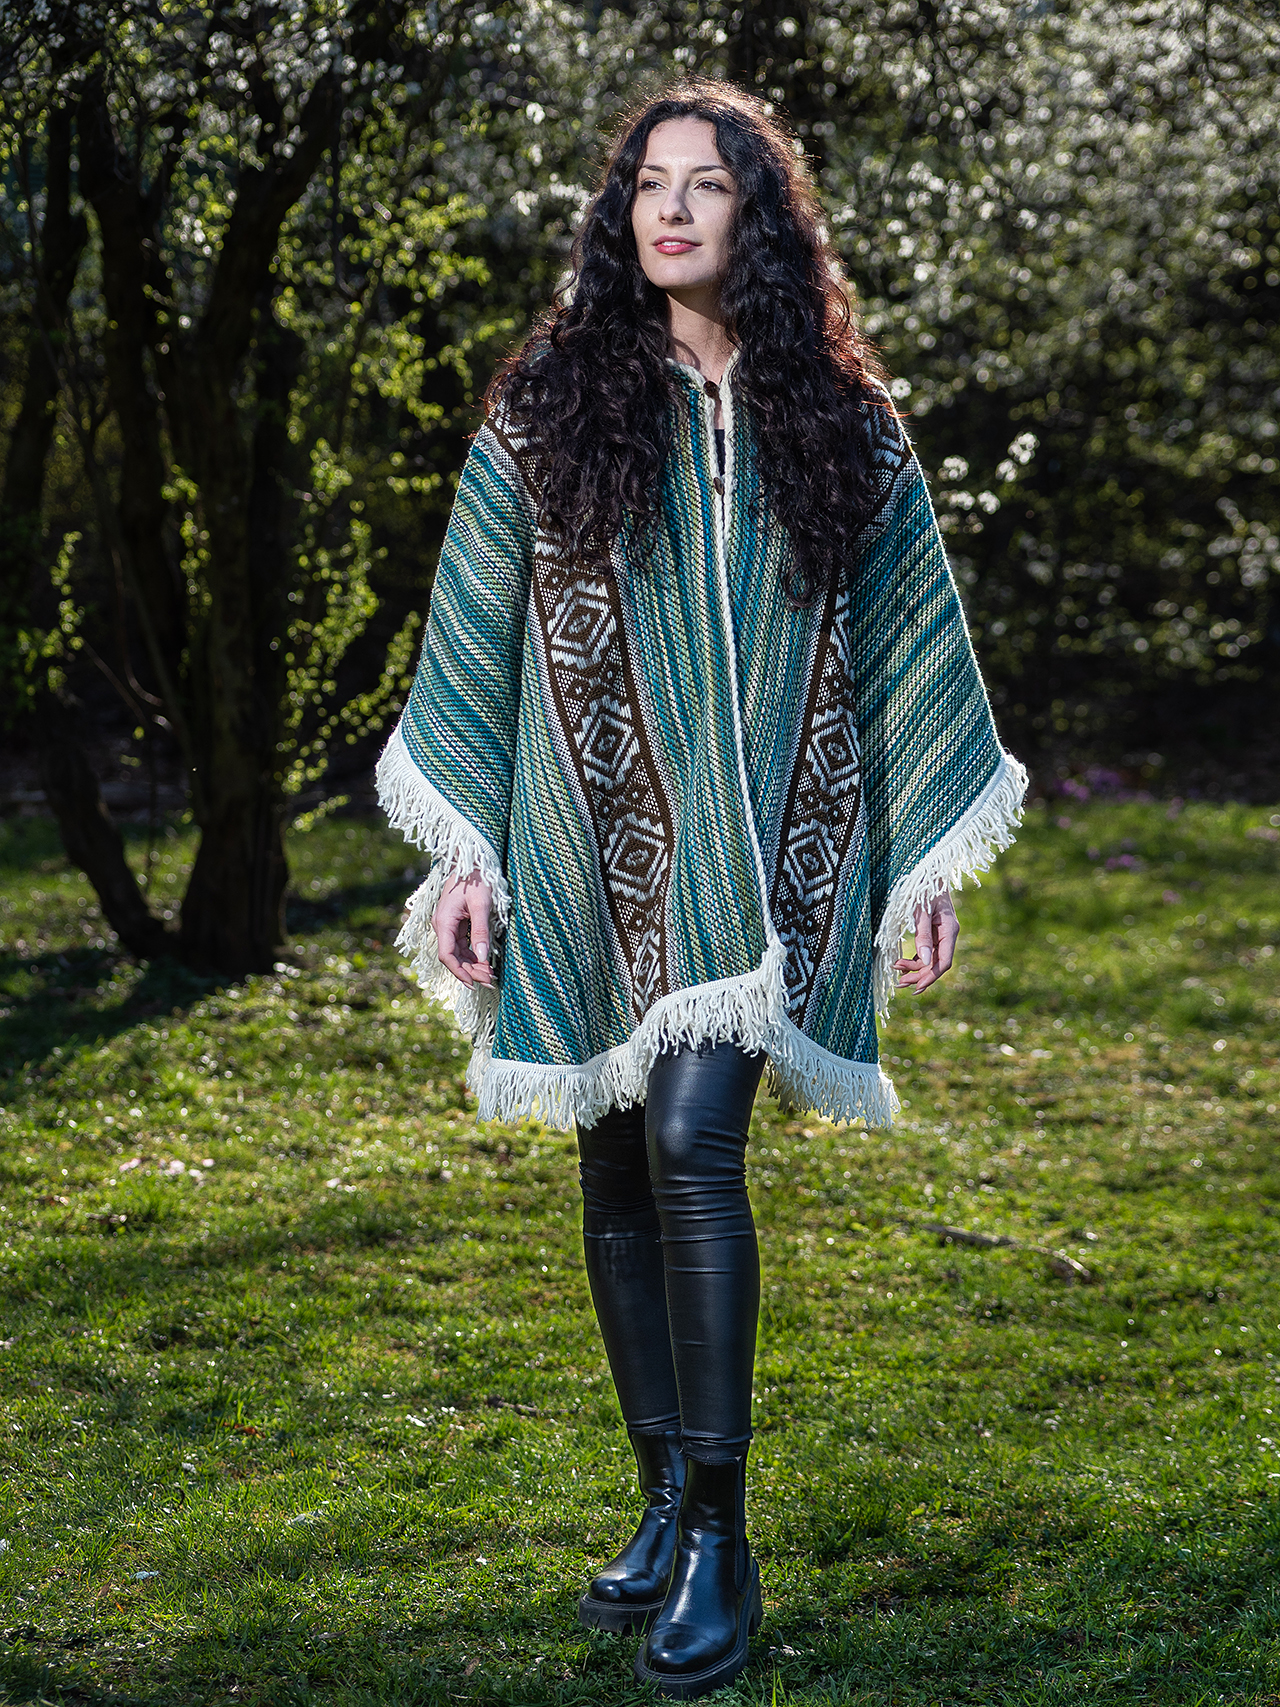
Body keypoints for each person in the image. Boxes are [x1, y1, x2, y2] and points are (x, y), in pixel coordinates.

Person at [377, 81, 1026, 1700]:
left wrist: (921, 867)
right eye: (650, 185)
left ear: (758, 214)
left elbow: (902, 640)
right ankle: (664, 1499)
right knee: (613, 1159)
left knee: (687, 1140)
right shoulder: (553, 402)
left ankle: (723, 1537)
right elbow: (478, 634)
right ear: (623, 217)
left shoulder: (841, 417)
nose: (672, 210)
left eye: (708, 185)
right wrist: (467, 855)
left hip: (781, 841)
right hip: (590, 832)